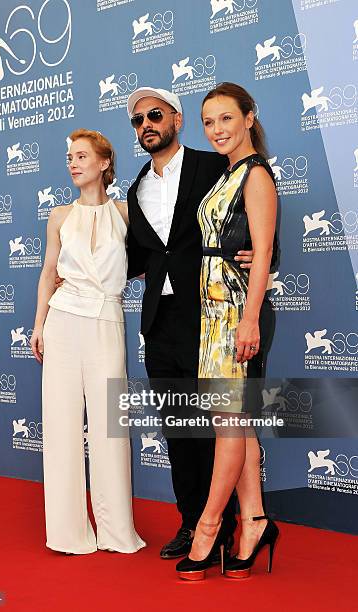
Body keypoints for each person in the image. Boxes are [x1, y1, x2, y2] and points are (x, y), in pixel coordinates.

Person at [126, 87, 254, 561]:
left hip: (210, 313)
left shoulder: (211, 166)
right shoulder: (135, 187)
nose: (146, 125)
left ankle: (221, 524)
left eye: (154, 115)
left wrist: (262, 252)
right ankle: (190, 521)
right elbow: (139, 256)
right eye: (138, 120)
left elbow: (247, 214)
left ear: (177, 119)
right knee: (179, 427)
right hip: (158, 321)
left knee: (217, 424)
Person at [176, 83, 279, 580]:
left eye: (225, 119)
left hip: (238, 314)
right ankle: (255, 522)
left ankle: (209, 527)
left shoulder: (255, 174)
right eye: (209, 122)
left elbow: (262, 252)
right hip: (215, 313)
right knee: (240, 425)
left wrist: (251, 318)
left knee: (228, 426)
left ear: (249, 117)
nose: (217, 130)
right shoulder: (229, 173)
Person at [30, 128, 145, 555]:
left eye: (81, 156)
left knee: (111, 430)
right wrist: (39, 324)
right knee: (60, 426)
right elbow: (47, 272)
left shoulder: (125, 213)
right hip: (62, 320)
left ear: (103, 163)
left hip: (107, 321)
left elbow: (154, 259)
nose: (73, 163)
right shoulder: (59, 215)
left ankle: (116, 531)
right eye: (70, 158)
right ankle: (67, 532)